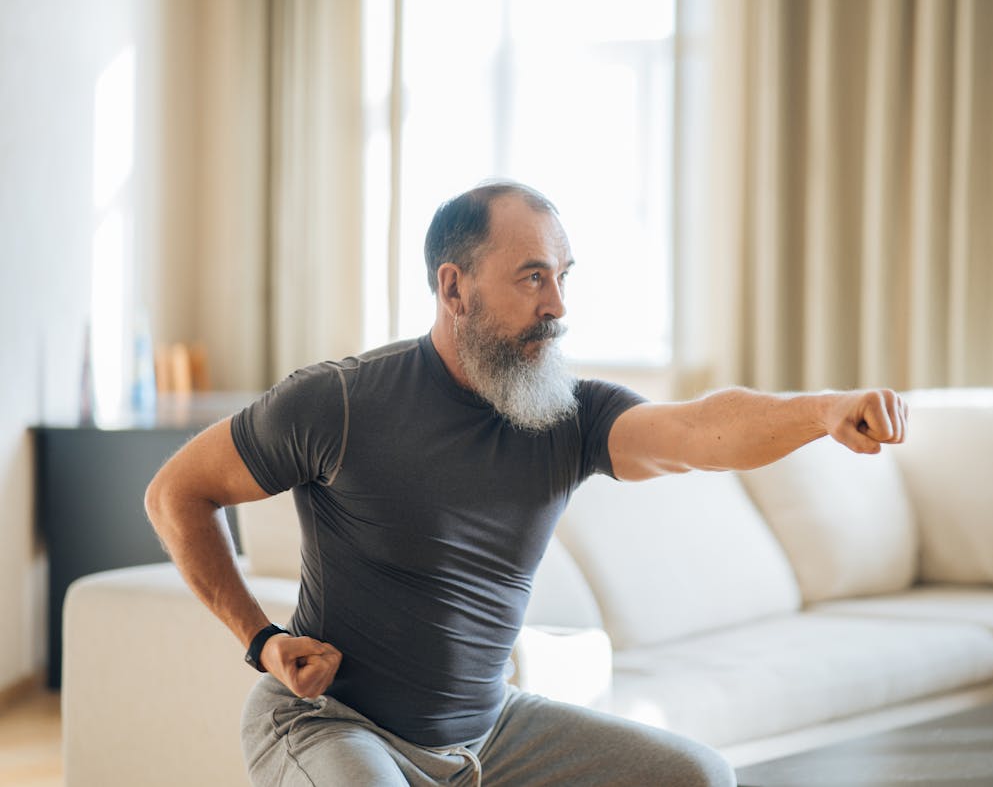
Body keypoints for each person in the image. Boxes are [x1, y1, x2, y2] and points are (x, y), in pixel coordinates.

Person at [145, 181, 908, 787]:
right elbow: (176, 491)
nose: (558, 305)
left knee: (699, 776)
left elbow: (696, 432)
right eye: (532, 277)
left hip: (491, 733)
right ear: (454, 288)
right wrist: (262, 638)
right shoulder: (341, 403)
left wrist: (823, 411)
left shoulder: (567, 415)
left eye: (563, 276)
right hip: (333, 723)